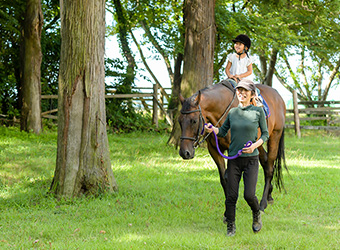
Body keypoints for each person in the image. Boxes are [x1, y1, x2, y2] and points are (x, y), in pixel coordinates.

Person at [204, 79, 269, 237]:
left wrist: (255, 146)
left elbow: (265, 134)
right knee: (231, 196)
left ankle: (256, 214)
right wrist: (213, 129)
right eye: (239, 90)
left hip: (251, 160)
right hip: (234, 160)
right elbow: (223, 130)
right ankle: (231, 227)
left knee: (249, 195)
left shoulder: (258, 112)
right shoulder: (232, 112)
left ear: (252, 94)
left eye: (245, 91)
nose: (241, 93)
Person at [225, 34, 263, 107]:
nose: (237, 46)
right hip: (232, 79)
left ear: (246, 47)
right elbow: (227, 69)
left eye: (240, 44)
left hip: (244, 80)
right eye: (236, 44)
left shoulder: (248, 59)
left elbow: (249, 71)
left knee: (255, 90)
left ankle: (257, 101)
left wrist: (240, 76)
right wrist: (230, 75)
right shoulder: (232, 56)